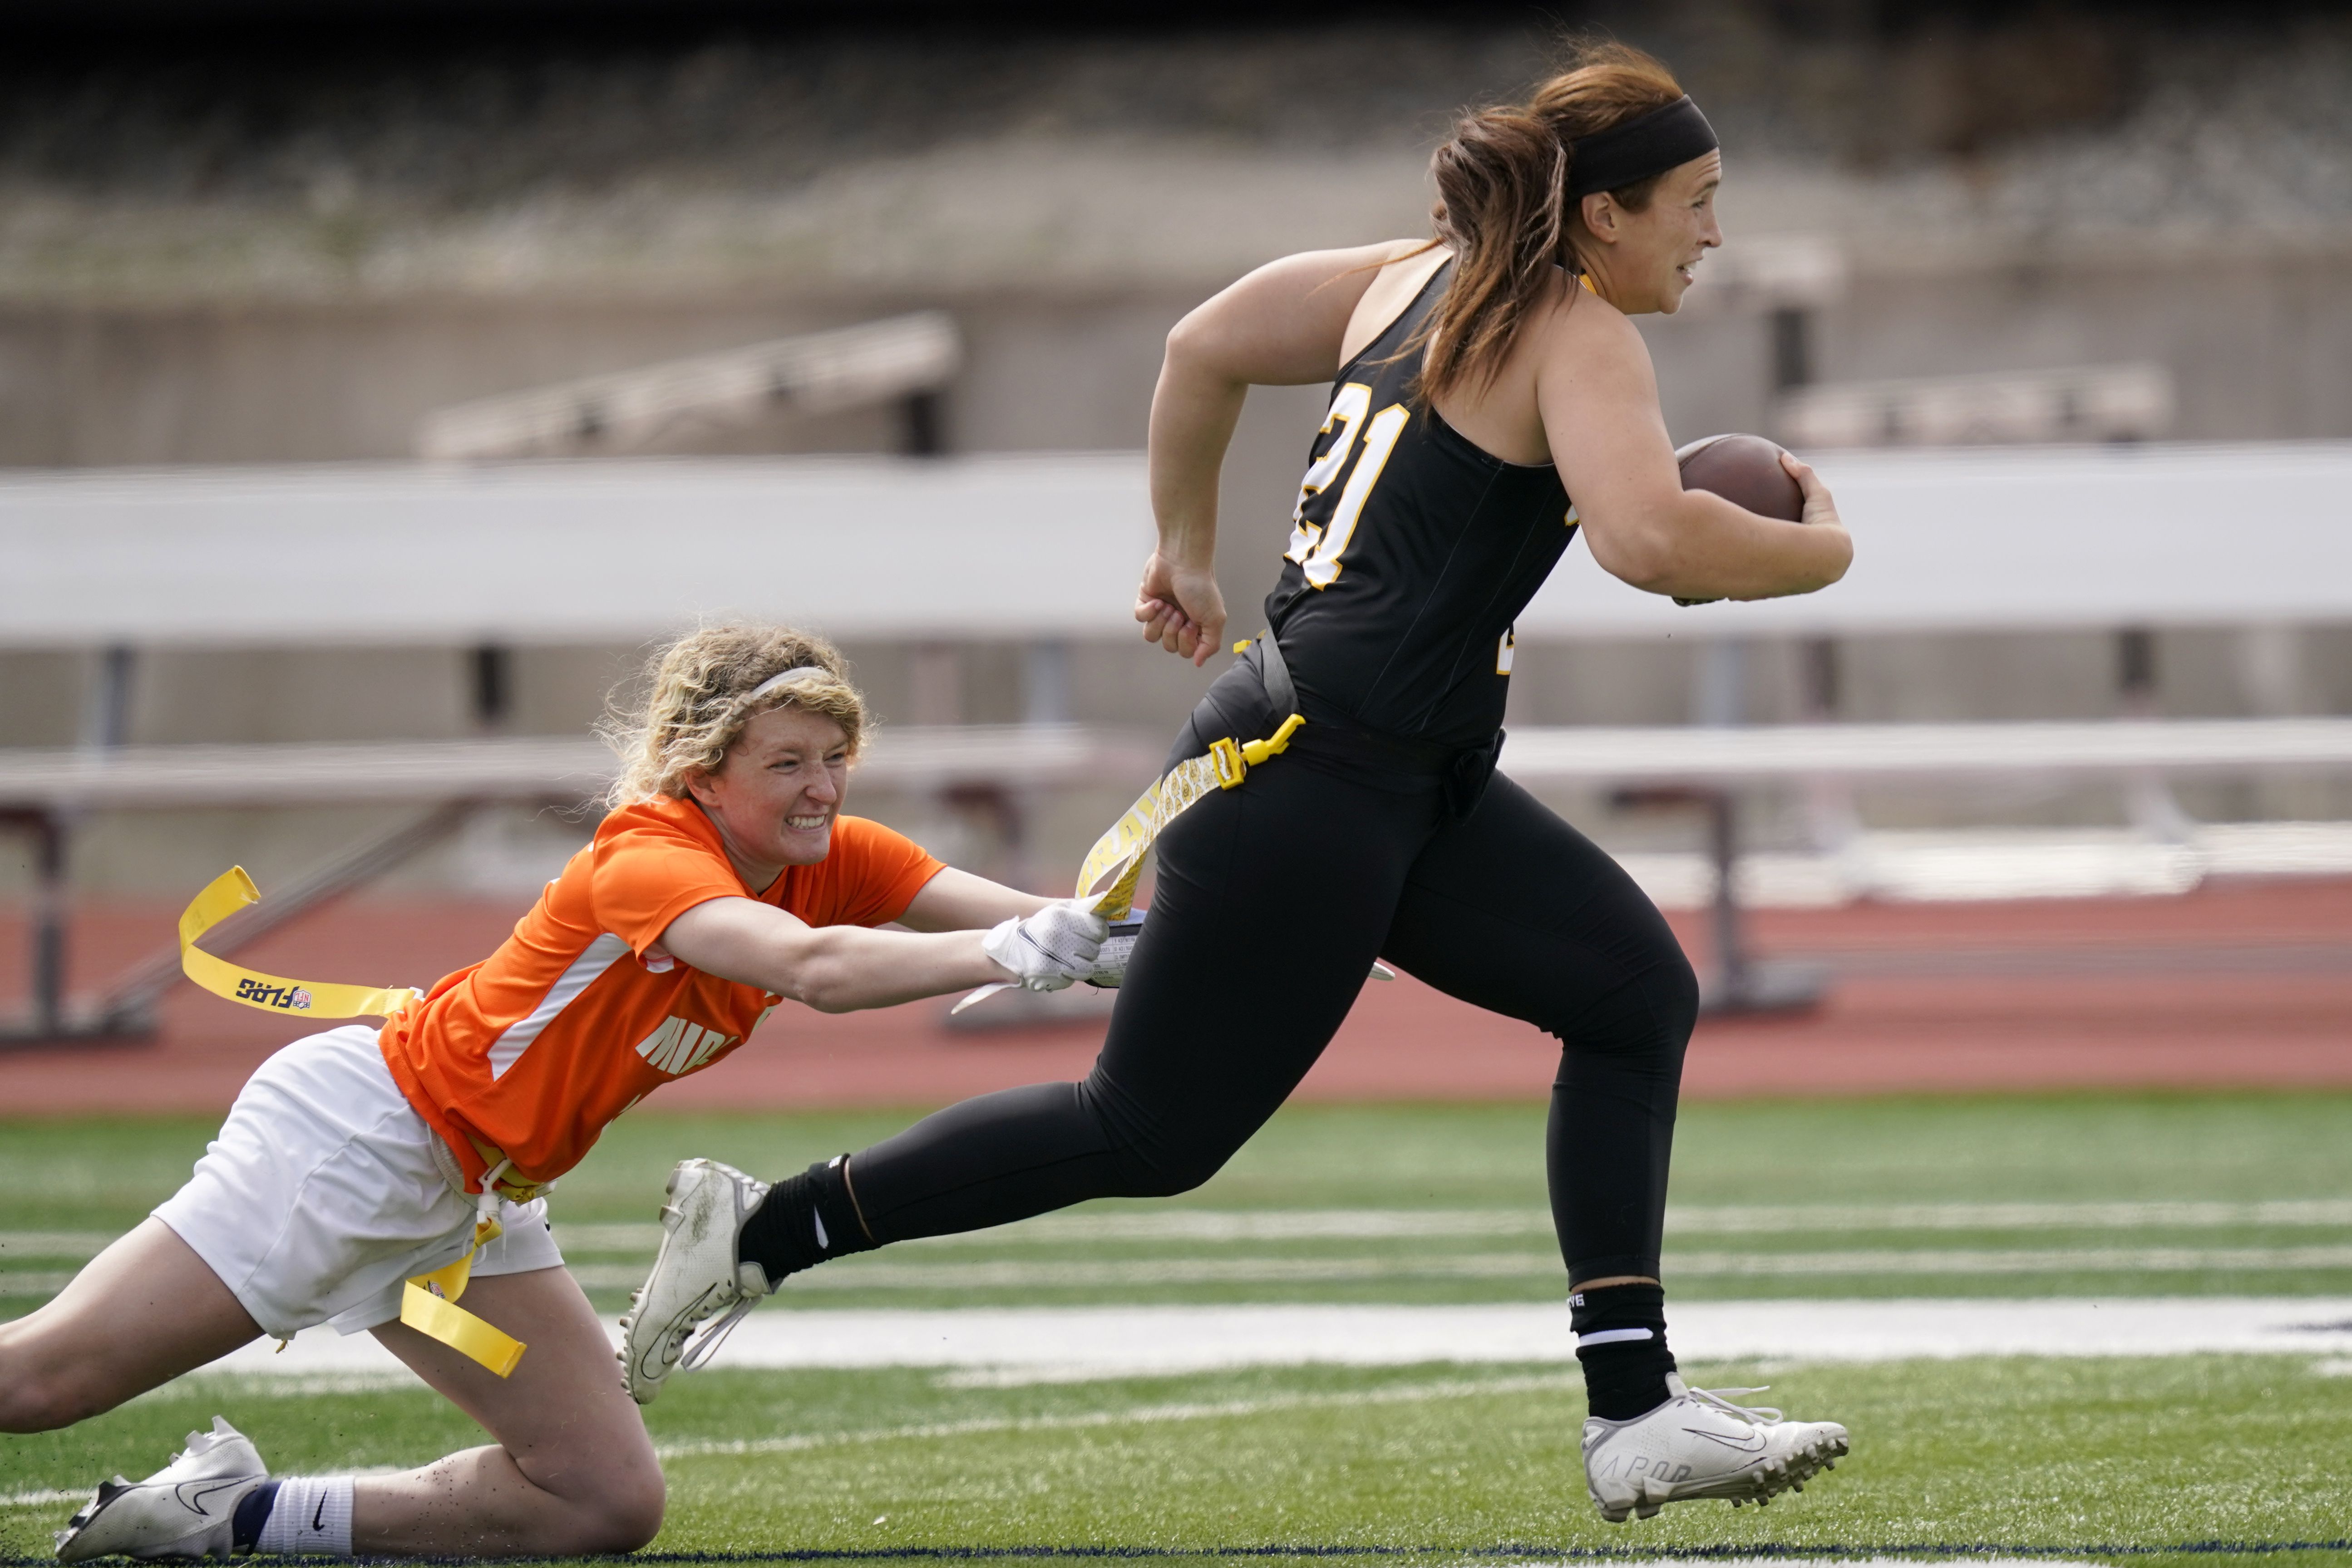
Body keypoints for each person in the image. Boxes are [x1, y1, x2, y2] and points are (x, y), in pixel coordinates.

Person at [625, 42, 1855, 1524]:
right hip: (1316, 773)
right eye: (1694, 201)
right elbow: (1650, 541)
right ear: (1603, 215)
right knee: (1147, 1128)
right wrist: (1823, 547)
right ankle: (761, 1225)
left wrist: (1184, 548)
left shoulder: (1407, 276)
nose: (1712, 233)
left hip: (1393, 768)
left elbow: (1203, 342)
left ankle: (1634, 1408)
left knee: (1630, 994)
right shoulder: (1574, 328)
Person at [15, 623, 1106, 1561]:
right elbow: (814, 968)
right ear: (700, 767)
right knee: (39, 1390)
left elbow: (1048, 920)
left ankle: (228, 1514)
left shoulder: (831, 853)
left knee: (598, 1499)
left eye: (835, 756)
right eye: (786, 762)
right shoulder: (649, 857)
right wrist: (1009, 952)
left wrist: (1136, 936)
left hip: (470, 1199)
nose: (821, 787)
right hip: (362, 1142)